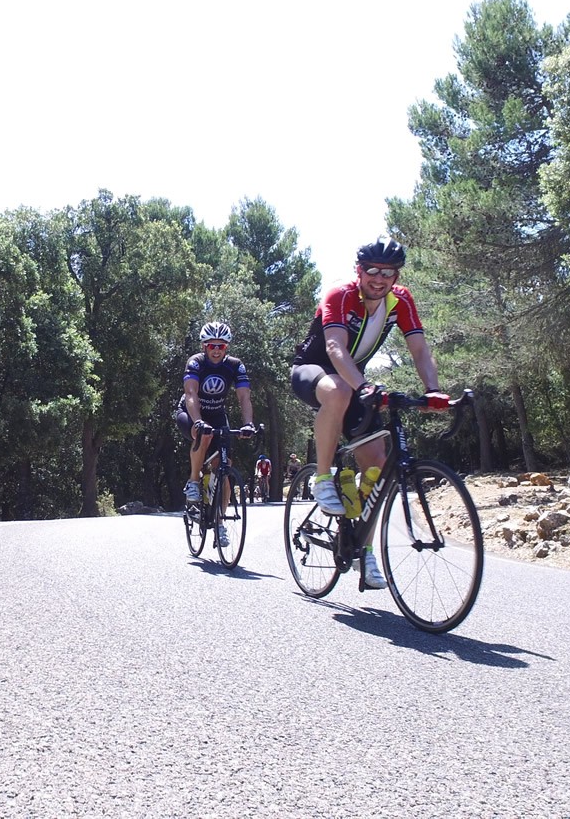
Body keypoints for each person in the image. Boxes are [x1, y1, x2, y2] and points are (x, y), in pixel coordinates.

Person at [290, 237, 449, 588]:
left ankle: (362, 548)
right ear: (359, 271)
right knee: (339, 390)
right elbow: (334, 347)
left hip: (354, 380)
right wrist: (362, 386)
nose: (379, 279)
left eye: (388, 273)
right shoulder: (340, 295)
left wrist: (433, 390)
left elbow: (420, 350)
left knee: (376, 462)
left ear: (396, 276)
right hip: (314, 371)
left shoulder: (401, 301)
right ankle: (322, 479)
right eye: (372, 271)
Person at [175, 321, 256, 510]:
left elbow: (244, 396)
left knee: (224, 466)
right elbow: (191, 394)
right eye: (212, 345)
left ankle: (220, 522)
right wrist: (198, 421)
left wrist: (248, 424)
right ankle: (194, 482)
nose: (217, 350)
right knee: (204, 434)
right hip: (190, 412)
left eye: (221, 346)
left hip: (217, 415)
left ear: (226, 347)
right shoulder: (196, 362)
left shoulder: (235, 365)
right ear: (204, 346)